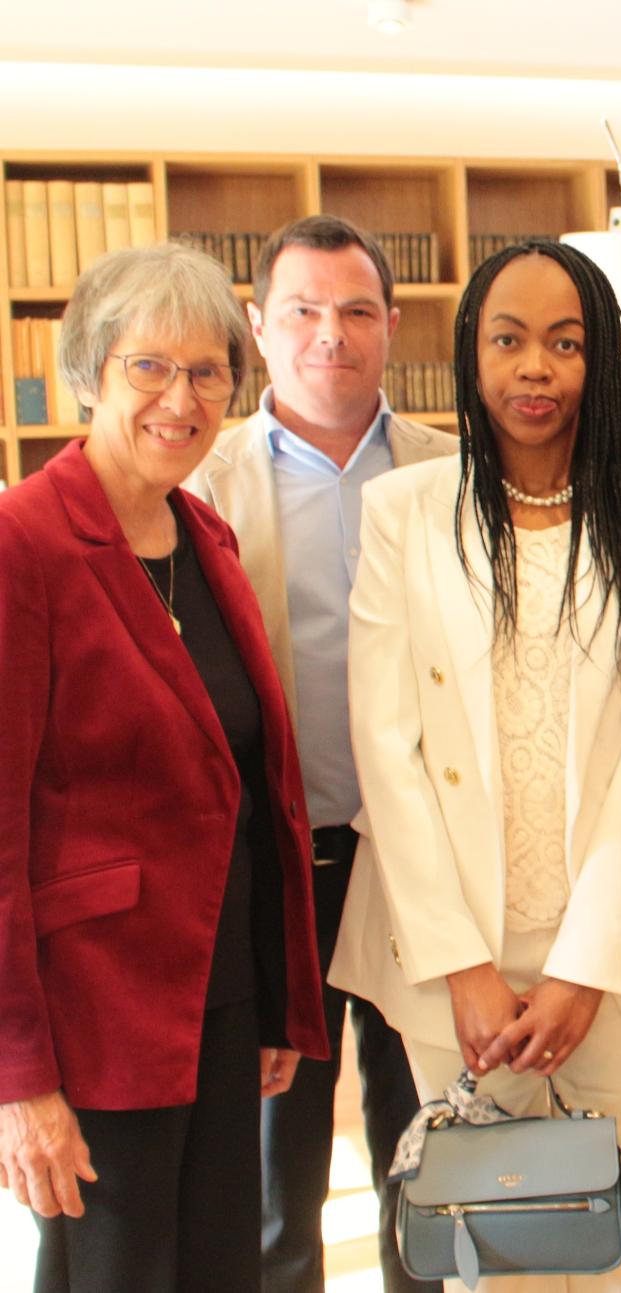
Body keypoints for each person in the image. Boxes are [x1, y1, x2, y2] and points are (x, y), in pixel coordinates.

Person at [328, 239, 621, 1291]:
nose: (534, 369)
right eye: (508, 341)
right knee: (489, 1252)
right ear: (469, 354)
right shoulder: (403, 514)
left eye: (564, 343)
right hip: (449, 962)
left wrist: (585, 967)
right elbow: (387, 743)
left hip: (619, 960)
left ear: (602, 362)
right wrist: (460, 964)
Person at [0, 242, 329, 1290]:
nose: (180, 399)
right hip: (94, 1021)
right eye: (149, 367)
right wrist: (18, 1082)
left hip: (218, 1001)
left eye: (206, 373)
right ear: (90, 372)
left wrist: (277, 995)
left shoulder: (204, 537)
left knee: (221, 1270)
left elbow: (247, 788)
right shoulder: (23, 546)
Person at [182, 213, 456, 1293]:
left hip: (418, 858)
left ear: (392, 324)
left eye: (353, 311)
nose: (327, 335)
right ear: (258, 326)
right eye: (301, 310)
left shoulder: (450, 469)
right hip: (274, 865)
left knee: (426, 1133)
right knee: (278, 1159)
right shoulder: (203, 482)